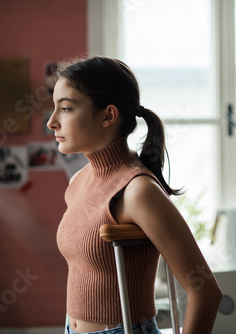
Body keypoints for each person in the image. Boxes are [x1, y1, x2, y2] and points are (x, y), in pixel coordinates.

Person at [47, 56, 222, 334]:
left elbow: (206, 292)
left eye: (66, 109)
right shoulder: (79, 181)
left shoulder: (138, 190)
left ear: (108, 115)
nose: (52, 122)